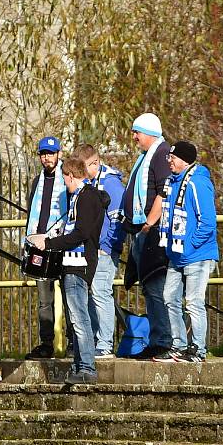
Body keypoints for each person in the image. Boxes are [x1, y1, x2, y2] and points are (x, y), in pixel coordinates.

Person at [27, 156, 108, 384]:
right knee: (75, 318)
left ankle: (87, 368)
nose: (64, 184)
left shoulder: (86, 197)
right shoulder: (78, 198)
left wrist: (50, 244)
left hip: (78, 265)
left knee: (80, 319)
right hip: (70, 264)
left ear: (71, 175)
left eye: (65, 179)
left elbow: (81, 233)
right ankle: (79, 365)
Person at [153, 141, 218, 363]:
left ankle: (198, 348)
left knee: (193, 302)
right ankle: (178, 345)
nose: (169, 161)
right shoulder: (172, 183)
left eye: (173, 158)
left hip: (197, 254)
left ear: (184, 160)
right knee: (169, 297)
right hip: (177, 255)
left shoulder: (198, 183)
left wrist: (190, 244)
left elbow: (208, 223)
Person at [121, 113, 172, 359]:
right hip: (142, 231)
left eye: (136, 132)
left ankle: (162, 341)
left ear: (148, 132)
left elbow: (164, 192)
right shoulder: (146, 156)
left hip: (151, 232)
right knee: (149, 288)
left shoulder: (160, 155)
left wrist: (149, 223)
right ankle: (157, 338)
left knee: (156, 287)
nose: (134, 138)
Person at [72, 143, 125, 359]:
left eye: (83, 168)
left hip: (103, 250)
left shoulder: (111, 185)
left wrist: (106, 247)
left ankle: (104, 343)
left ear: (95, 163)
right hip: (90, 250)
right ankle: (95, 340)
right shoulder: (91, 183)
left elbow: (118, 221)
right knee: (92, 296)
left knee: (102, 294)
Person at [24, 136, 72, 360]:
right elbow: (32, 214)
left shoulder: (67, 179)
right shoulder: (37, 181)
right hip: (39, 245)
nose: (47, 158)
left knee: (71, 296)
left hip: (62, 244)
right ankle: (46, 343)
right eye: (43, 154)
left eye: (51, 153)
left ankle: (73, 342)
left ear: (59, 154)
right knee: (44, 300)